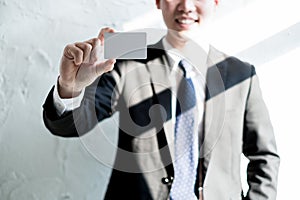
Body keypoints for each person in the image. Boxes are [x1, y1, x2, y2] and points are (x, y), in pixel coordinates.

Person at [43, 0, 280, 199]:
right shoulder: (127, 60)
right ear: (158, 1)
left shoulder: (241, 75)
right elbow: (74, 123)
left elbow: (264, 156)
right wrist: (70, 88)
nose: (186, 6)